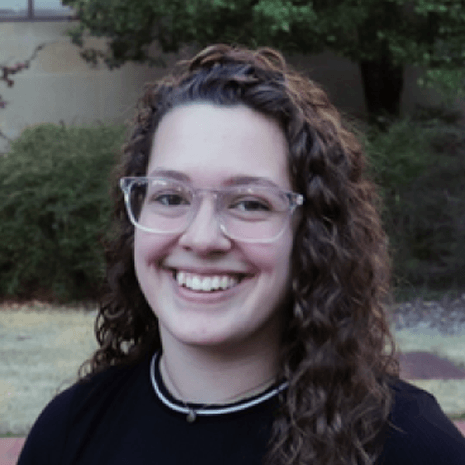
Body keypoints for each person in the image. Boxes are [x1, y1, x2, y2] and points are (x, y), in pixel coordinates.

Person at [18, 44, 465, 465]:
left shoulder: (410, 446)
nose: (202, 238)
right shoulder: (68, 435)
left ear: (311, 233)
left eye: (250, 202)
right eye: (172, 197)